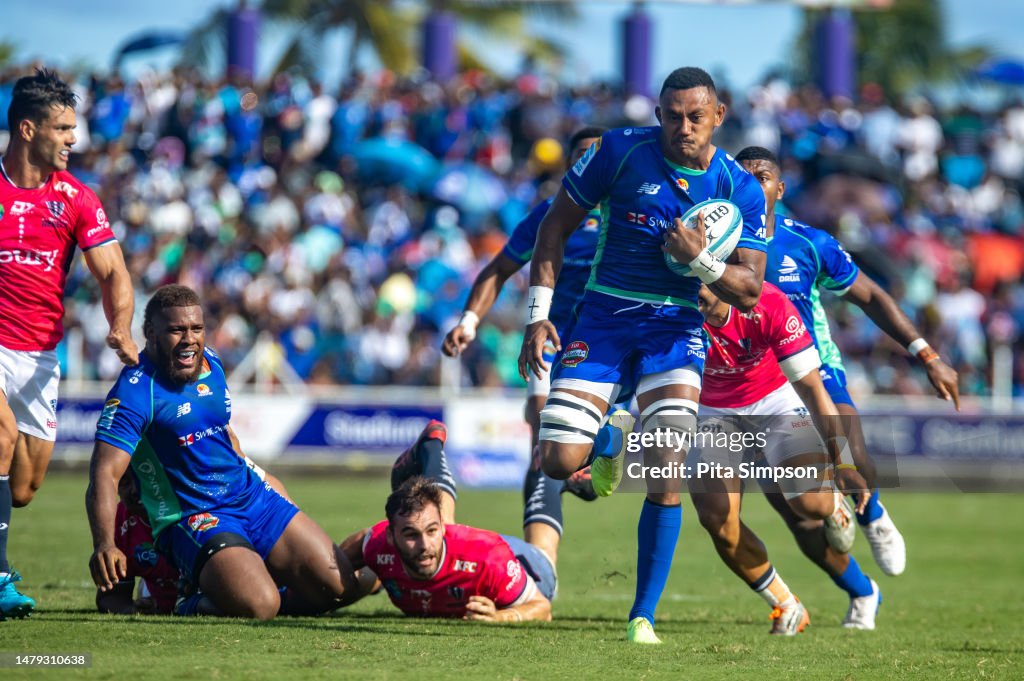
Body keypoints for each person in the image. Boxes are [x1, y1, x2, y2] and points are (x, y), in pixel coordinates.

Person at [518, 67, 767, 644]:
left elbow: (750, 289)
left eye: (696, 117)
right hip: (603, 319)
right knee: (556, 462)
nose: (684, 127)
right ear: (658, 115)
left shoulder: (740, 188)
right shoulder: (617, 152)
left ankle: (642, 617)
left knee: (666, 471)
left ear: (718, 116)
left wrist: (700, 260)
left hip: (674, 330)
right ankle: (608, 438)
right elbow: (553, 230)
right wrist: (537, 315)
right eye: (673, 116)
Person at [734, 146, 961, 577]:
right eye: (741, 176)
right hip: (751, 381)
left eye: (761, 176)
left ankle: (872, 513)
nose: (751, 183)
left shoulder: (809, 242)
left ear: (780, 189)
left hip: (812, 365)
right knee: (798, 513)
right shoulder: (709, 244)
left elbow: (871, 297)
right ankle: (861, 592)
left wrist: (927, 354)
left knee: (852, 454)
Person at [86, 285, 357, 620]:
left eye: (196, 328)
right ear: (151, 333)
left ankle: (245, 582)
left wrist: (261, 478)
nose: (189, 339)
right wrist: (104, 544)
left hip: (252, 497)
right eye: (176, 330)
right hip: (194, 516)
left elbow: (224, 433)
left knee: (339, 589)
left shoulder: (211, 362)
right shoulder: (135, 392)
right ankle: (185, 600)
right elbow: (104, 473)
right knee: (260, 606)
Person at [0, 68, 138, 620]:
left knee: (23, 487)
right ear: (28, 129)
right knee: (0, 436)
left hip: (39, 355)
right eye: (62, 129)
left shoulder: (76, 199)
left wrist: (120, 326)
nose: (72, 139)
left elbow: (114, 272)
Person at [692, 282, 882, 633]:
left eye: (698, 276)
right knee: (717, 519)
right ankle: (786, 604)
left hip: (775, 400)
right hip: (711, 411)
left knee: (809, 507)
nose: (691, 286)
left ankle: (832, 504)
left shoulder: (768, 303)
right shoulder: (670, 303)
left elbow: (812, 387)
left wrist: (843, 462)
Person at [339, 422, 555, 622]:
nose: (424, 544)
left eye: (432, 531)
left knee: (544, 550)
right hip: (446, 553)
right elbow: (335, 567)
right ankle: (429, 449)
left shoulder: (489, 558)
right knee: (366, 575)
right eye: (411, 534)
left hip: (523, 564)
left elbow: (542, 608)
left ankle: (553, 474)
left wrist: (501, 616)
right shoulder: (376, 544)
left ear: (441, 529)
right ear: (390, 536)